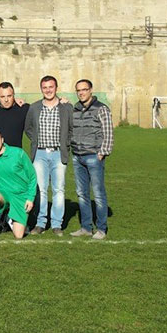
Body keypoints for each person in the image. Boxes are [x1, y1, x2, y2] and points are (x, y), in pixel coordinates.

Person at [24, 75, 73, 236]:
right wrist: (36, 141)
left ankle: (57, 224)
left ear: (56, 88)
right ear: (41, 89)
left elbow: (71, 129)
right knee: (41, 189)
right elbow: (28, 128)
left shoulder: (66, 107)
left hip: (59, 153)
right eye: (45, 87)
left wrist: (66, 144)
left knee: (59, 189)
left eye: (51, 87)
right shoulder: (35, 107)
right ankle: (40, 222)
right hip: (40, 153)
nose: (48, 90)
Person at [69, 79, 113, 240]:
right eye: (78, 90)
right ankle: (86, 227)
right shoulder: (75, 109)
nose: (81, 93)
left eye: (84, 89)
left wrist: (102, 153)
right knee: (82, 193)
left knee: (98, 193)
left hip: (94, 156)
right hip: (78, 156)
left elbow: (108, 132)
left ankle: (101, 228)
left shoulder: (101, 108)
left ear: (91, 90)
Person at [0, 128, 37, 241]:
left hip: (21, 194)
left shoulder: (18, 153)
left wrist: (30, 198)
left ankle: (9, 216)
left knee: (18, 235)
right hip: (3, 191)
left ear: (2, 140)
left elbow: (32, 177)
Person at [0, 82, 29, 149]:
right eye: (2, 97)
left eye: (9, 96)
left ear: (14, 95)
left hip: (14, 155)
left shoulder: (23, 109)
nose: (6, 100)